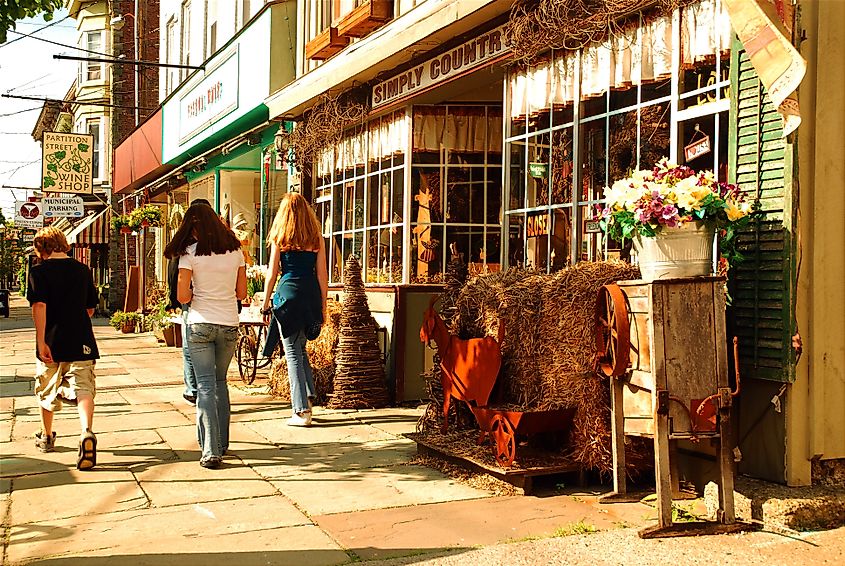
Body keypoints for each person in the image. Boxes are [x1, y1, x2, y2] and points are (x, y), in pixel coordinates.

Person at [164, 203, 247, 469]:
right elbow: (242, 293)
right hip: (229, 325)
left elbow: (182, 297)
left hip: (200, 324)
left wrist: (195, 288)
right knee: (221, 383)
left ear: (194, 227)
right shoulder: (236, 252)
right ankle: (222, 442)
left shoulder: (189, 254)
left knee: (205, 388)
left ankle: (211, 450)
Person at [26, 226, 99, 470]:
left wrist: (41, 341)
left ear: (41, 248)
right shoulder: (82, 270)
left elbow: (39, 306)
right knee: (84, 387)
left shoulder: (39, 272)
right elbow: (90, 309)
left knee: (46, 387)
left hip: (52, 339)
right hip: (81, 338)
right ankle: (86, 431)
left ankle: (46, 436)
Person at [260, 193, 328, 427]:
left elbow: (272, 273)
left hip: (287, 295)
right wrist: (324, 305)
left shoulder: (280, 237)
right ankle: (308, 396)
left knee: (291, 353)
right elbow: (322, 276)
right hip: (310, 296)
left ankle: (300, 411)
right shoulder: (317, 238)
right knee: (300, 349)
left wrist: (265, 300)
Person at [164, 198, 213, 406]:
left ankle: (193, 389)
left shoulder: (184, 243)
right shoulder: (219, 241)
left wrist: (173, 297)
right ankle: (202, 388)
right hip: (213, 300)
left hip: (192, 299)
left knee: (190, 345)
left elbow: (173, 272)